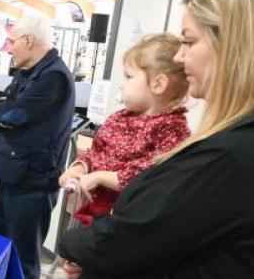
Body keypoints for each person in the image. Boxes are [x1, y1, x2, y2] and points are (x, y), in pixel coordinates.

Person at [31, 0, 254, 279]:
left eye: (189, 41)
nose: (181, 57)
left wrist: (79, 245)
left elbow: (127, 239)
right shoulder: (221, 149)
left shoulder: (228, 158)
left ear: (232, 45)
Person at [0, 14, 75, 279]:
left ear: (29, 41)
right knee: (1, 250)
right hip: (11, 176)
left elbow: (11, 115)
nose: (7, 48)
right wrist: (1, 113)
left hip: (32, 182)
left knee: (22, 258)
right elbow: (4, 109)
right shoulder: (30, 73)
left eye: (12, 40)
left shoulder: (54, 78)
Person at [59, 34, 191, 225]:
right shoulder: (120, 118)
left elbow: (148, 175)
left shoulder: (172, 129)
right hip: (95, 216)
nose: (122, 84)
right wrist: (80, 167)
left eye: (129, 77)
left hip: (129, 222)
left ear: (158, 84)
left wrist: (100, 177)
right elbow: (97, 152)